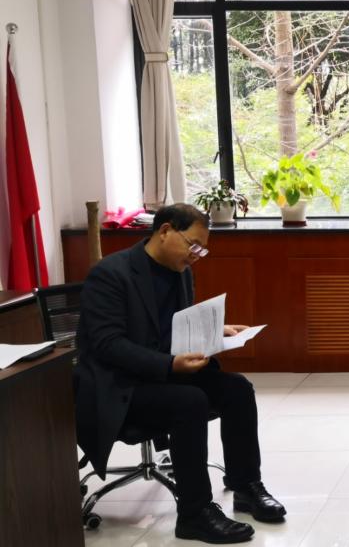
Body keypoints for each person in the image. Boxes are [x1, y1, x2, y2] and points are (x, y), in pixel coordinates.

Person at [75, 204, 285, 544]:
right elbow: (108, 346)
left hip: (162, 373)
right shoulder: (111, 274)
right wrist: (169, 365)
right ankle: (194, 513)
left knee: (237, 389)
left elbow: (176, 328)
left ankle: (246, 486)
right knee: (190, 401)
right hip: (120, 385)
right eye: (193, 245)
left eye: (202, 250)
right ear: (165, 231)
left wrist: (216, 333)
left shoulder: (181, 271)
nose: (196, 256)